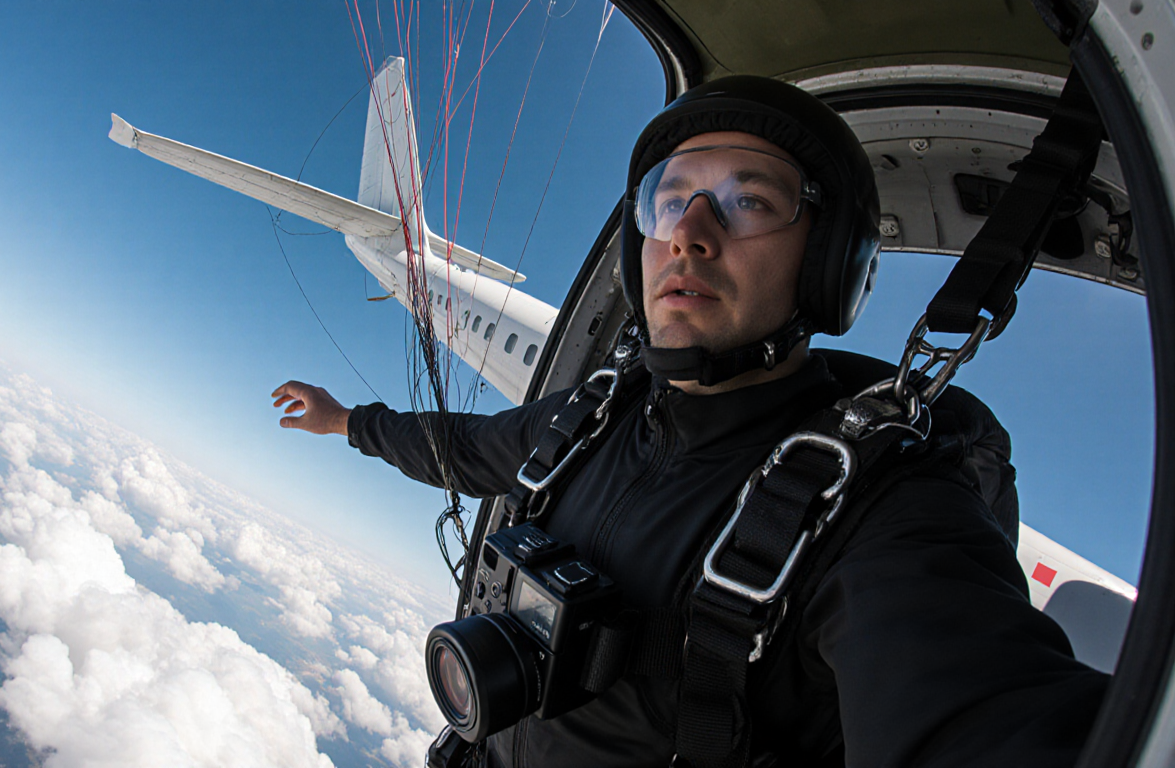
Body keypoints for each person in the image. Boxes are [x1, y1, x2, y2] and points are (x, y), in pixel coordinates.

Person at [272, 76, 1109, 767]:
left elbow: (979, 702)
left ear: (829, 266)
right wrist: (349, 421)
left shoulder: (882, 511)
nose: (690, 235)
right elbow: (462, 448)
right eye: (669, 203)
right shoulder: (588, 421)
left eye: (749, 202)